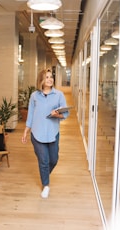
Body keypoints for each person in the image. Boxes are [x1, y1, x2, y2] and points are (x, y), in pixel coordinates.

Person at [21, 69, 69, 199]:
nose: (50, 79)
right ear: (41, 80)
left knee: (53, 160)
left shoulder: (59, 95)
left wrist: (57, 114)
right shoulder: (34, 96)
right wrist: (26, 131)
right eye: (47, 77)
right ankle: (46, 185)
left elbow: (65, 114)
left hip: (53, 133)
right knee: (44, 161)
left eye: (51, 77)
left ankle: (44, 175)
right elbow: (30, 114)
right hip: (37, 133)